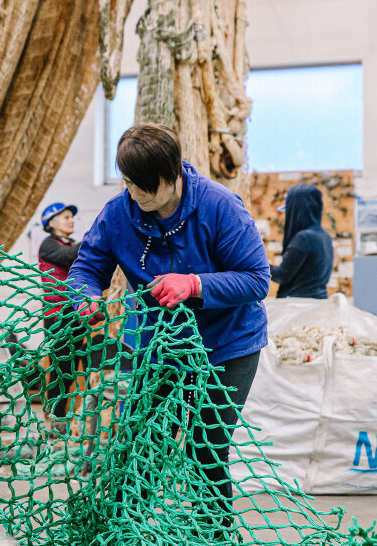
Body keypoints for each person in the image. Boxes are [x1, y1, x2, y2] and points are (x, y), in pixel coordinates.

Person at [67, 123, 270, 531]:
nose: (136, 194)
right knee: (141, 443)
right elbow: (86, 268)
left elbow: (257, 278)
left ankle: (212, 533)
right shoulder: (118, 213)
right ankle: (125, 531)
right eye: (129, 184)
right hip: (156, 348)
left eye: (145, 186)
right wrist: (85, 295)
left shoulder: (219, 207)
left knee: (205, 447)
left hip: (226, 344)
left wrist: (195, 284)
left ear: (174, 174)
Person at [37, 202, 82, 429]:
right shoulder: (49, 246)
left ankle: (71, 418)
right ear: (52, 223)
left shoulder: (73, 244)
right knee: (60, 369)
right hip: (57, 316)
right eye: (65, 217)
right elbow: (69, 256)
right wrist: (98, 238)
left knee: (75, 367)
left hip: (76, 314)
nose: (71, 220)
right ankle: (56, 419)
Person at [270, 184, 334, 299]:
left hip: (299, 306)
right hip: (319, 302)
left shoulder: (304, 238)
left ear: (296, 210)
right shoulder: (325, 236)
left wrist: (258, 264)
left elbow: (282, 275)